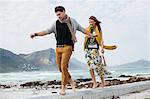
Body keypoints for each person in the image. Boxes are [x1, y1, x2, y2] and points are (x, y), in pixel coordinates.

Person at [30, 6, 96, 95]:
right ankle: (71, 81)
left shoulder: (72, 22)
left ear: (64, 12)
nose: (58, 16)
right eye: (57, 15)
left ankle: (63, 88)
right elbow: (46, 31)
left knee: (64, 67)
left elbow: (82, 29)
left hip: (67, 47)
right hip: (58, 48)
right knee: (61, 69)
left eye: (59, 14)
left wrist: (91, 35)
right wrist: (36, 34)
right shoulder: (55, 23)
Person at [84, 16, 117, 88]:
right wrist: (90, 35)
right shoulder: (87, 29)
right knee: (90, 67)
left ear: (95, 22)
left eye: (91, 22)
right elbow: (85, 35)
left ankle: (102, 82)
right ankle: (94, 83)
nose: (90, 23)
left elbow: (101, 40)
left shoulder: (98, 29)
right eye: (89, 22)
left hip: (95, 50)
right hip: (87, 49)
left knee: (98, 66)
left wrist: (102, 48)